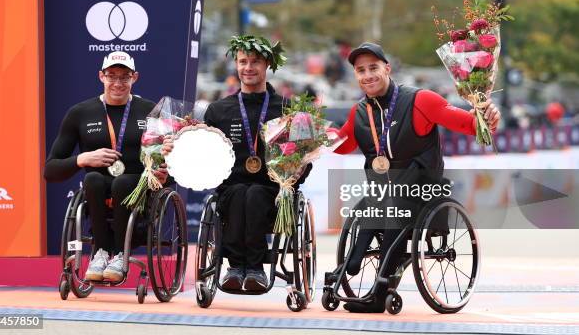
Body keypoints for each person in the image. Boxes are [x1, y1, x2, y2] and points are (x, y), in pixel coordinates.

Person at [332, 42, 500, 313]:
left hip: (422, 190)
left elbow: (469, 125)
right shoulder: (359, 112)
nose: (367, 75)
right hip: (381, 194)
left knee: (391, 204)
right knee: (371, 204)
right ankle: (348, 267)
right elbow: (340, 145)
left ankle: (379, 291)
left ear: (387, 68)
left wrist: (487, 116)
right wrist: (307, 136)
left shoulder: (421, 100)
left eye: (373, 68)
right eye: (360, 70)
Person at [163, 35, 309, 292]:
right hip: (231, 187)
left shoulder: (288, 108)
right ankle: (235, 266)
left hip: (274, 189)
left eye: (255, 62)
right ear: (236, 65)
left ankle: (253, 269)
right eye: (243, 61)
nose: (248, 67)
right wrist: (175, 150)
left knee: (253, 194)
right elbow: (202, 153)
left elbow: (305, 157)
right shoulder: (218, 110)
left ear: (268, 66)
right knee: (241, 192)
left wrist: (298, 171)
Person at [44, 51, 168, 282]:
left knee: (122, 182)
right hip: (97, 188)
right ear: (101, 76)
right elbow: (50, 169)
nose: (118, 83)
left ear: (135, 77)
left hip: (136, 185)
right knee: (92, 179)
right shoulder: (80, 113)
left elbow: (166, 162)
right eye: (112, 76)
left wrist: (164, 174)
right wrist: (83, 159)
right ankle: (100, 253)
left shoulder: (151, 111)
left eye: (125, 76)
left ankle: (121, 254)